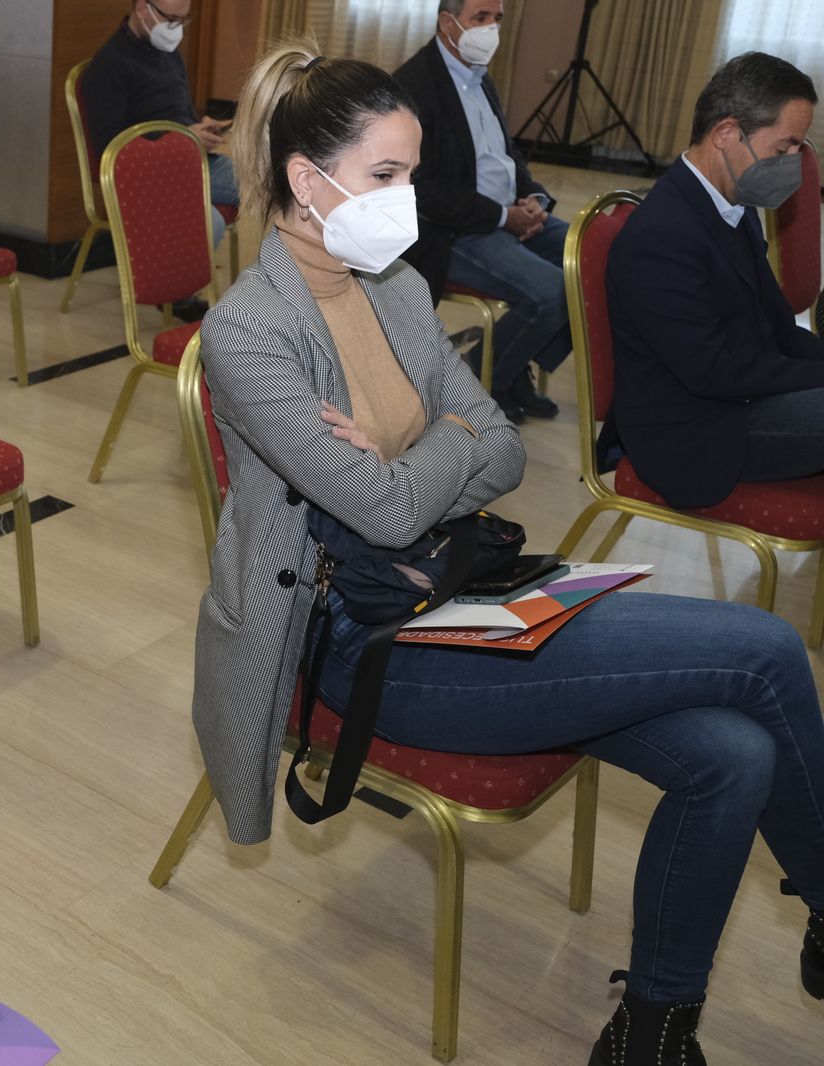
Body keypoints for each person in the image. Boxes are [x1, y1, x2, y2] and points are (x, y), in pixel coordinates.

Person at [197, 35, 824, 1065]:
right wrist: (441, 450)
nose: (408, 199)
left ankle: (651, 1032)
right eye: (388, 176)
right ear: (309, 182)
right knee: (761, 651)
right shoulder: (247, 332)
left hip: (463, 583)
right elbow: (394, 506)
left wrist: (427, 455)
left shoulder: (392, 283)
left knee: (737, 750)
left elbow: (497, 449)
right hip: (368, 642)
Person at [605, 52, 823, 510]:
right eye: (783, 148)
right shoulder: (662, 235)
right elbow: (713, 372)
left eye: (795, 151)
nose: (791, 165)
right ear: (726, 133)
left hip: (737, 401)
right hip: (696, 434)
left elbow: (779, 329)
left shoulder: (734, 205)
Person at [394, 0, 568, 424]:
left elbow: (505, 155)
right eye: (480, 19)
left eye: (497, 19)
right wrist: (503, 217)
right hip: (451, 231)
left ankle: (508, 367)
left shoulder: (478, 77)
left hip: (506, 215)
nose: (491, 30)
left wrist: (534, 200)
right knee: (551, 292)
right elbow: (421, 187)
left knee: (592, 264)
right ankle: (476, 381)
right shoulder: (413, 84)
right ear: (446, 23)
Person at [82, 0, 233, 319]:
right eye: (170, 19)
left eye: (183, 19)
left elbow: (178, 115)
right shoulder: (109, 65)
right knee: (211, 221)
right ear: (142, 9)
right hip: (146, 177)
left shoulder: (166, 53)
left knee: (260, 180)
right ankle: (178, 298)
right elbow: (112, 146)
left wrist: (200, 128)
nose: (176, 28)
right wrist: (183, 136)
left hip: (190, 161)